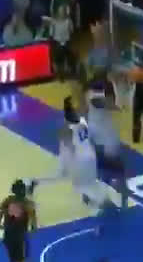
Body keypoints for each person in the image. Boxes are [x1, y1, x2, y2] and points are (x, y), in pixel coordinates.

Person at [31, 97, 116, 233]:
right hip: (91, 156)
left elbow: (68, 147)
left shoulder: (67, 130)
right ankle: (101, 200)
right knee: (90, 182)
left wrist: (68, 160)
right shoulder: (83, 122)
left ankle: (101, 205)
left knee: (80, 185)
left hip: (81, 160)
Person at [86, 70, 128, 209]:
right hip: (101, 135)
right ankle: (106, 194)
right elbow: (111, 105)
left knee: (107, 168)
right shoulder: (95, 98)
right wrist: (119, 90)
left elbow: (110, 104)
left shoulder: (92, 95)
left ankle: (101, 193)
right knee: (112, 166)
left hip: (100, 134)